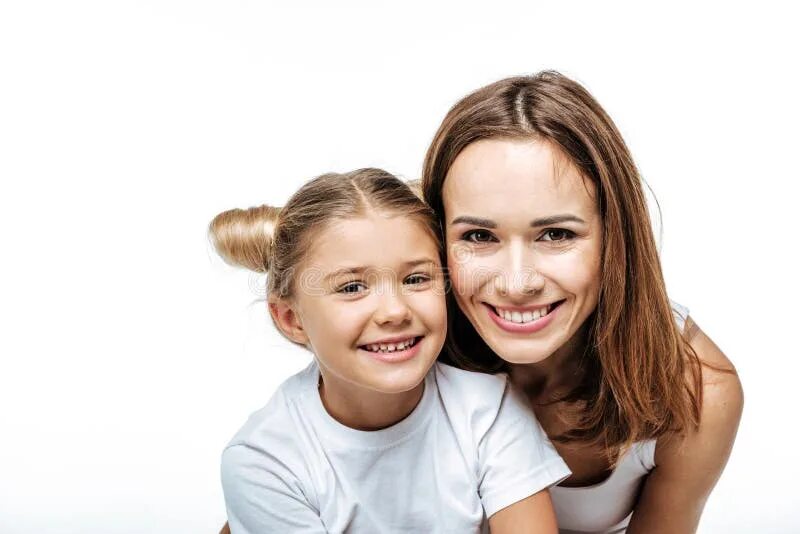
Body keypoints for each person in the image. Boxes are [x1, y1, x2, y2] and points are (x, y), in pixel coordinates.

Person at [421, 71, 744, 534]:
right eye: (478, 235)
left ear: (616, 238)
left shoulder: (696, 392)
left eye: (556, 234)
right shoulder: (406, 341)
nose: (516, 283)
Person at [212, 168, 571, 533]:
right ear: (291, 318)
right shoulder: (265, 461)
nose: (395, 312)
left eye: (416, 279)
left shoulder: (489, 410)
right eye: (352, 288)